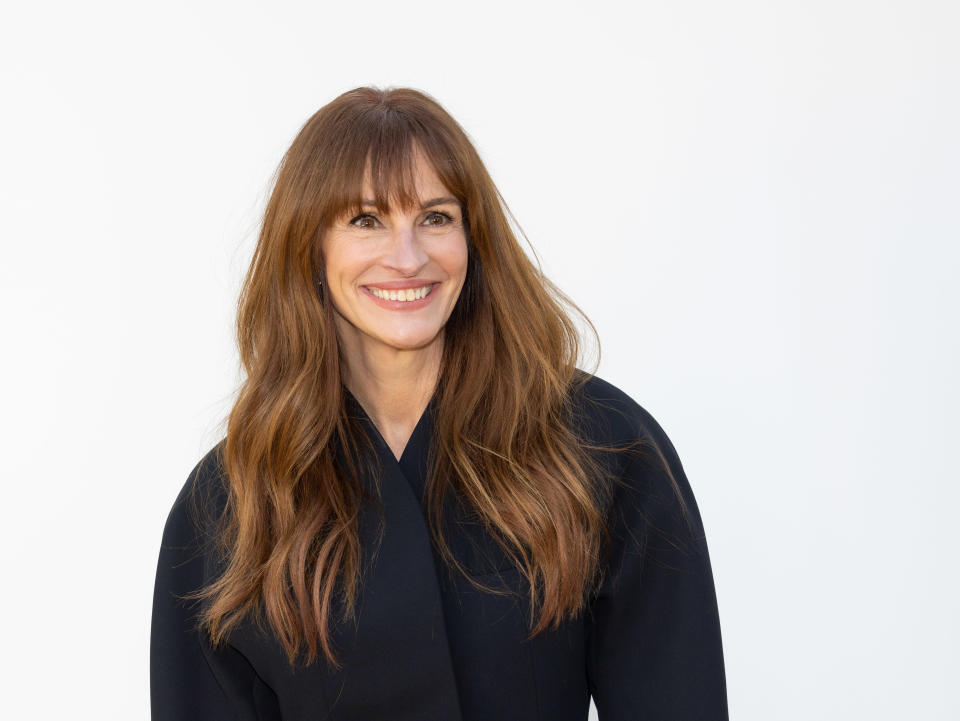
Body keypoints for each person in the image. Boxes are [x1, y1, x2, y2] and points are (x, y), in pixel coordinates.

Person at [150, 86, 729, 721]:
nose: (407, 257)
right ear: (309, 246)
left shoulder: (600, 448)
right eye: (366, 220)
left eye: (435, 217)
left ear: (473, 240)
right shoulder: (230, 499)